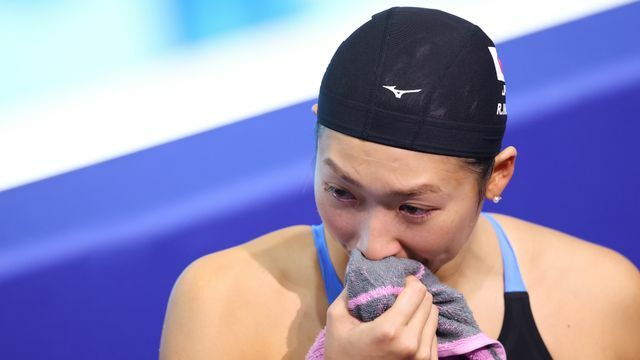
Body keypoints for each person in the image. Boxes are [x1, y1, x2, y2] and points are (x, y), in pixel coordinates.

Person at [159, 6, 640, 359]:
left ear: (496, 176)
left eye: (413, 209)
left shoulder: (599, 297)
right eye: (342, 192)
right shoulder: (220, 301)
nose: (372, 246)